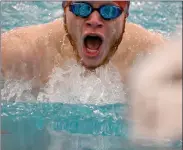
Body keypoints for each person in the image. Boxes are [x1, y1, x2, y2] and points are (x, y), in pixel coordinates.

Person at [1, 1, 165, 89]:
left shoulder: (153, 55)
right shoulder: (20, 52)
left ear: (126, 13)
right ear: (65, 7)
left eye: (109, 11)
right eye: (82, 8)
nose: (94, 21)